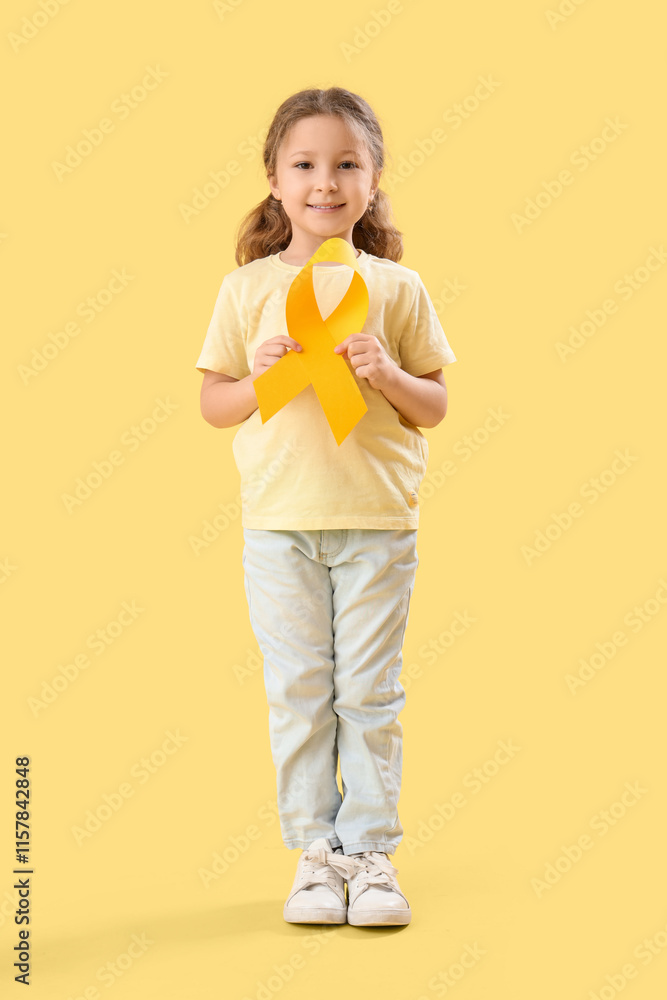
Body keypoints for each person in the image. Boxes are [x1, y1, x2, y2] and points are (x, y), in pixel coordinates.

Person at [195, 86, 457, 927]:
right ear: (273, 180)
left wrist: (383, 373)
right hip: (279, 525)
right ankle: (314, 853)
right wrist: (265, 374)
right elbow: (214, 406)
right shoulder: (245, 291)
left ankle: (369, 854)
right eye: (304, 164)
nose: (325, 182)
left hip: (376, 520)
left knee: (369, 693)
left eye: (346, 163)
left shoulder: (397, 287)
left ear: (374, 179)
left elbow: (434, 406)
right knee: (300, 689)